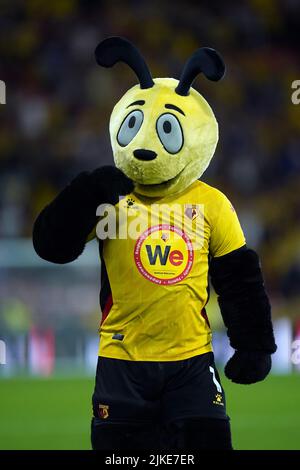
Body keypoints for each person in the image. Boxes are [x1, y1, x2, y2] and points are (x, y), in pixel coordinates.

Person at [33, 37, 277, 450]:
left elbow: (239, 279)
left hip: (192, 364)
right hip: (121, 363)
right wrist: (85, 193)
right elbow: (52, 245)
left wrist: (253, 344)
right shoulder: (111, 198)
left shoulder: (212, 203)